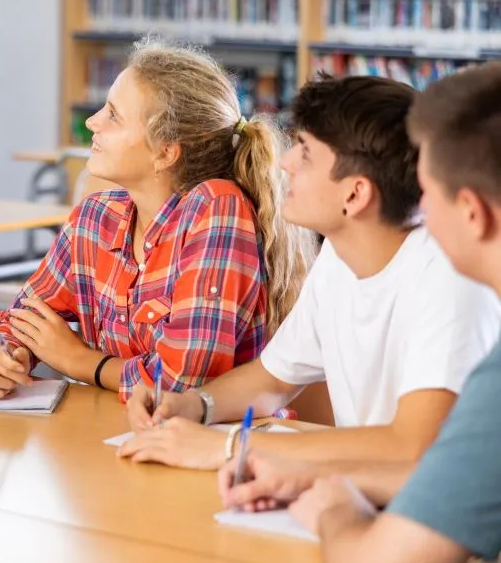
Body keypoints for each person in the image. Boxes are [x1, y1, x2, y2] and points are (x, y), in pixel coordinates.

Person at [120, 74, 501, 471]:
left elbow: (413, 446)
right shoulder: (339, 258)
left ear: (355, 194)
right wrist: (196, 405)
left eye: (305, 151)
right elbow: (273, 379)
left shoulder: (448, 279)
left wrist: (232, 448)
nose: (285, 161)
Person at [215, 62, 501, 563]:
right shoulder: (340, 262)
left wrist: (335, 509)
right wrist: (321, 476)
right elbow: (455, 474)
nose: (415, 210)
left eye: (428, 192)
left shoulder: (457, 299)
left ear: (472, 212)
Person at [0, 40, 315, 400]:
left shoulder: (217, 210)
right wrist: (1, 354)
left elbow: (183, 384)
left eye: (113, 115)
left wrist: (80, 361)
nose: (91, 121)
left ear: (166, 152)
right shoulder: (94, 217)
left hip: (212, 444)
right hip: (115, 437)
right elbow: (20, 321)